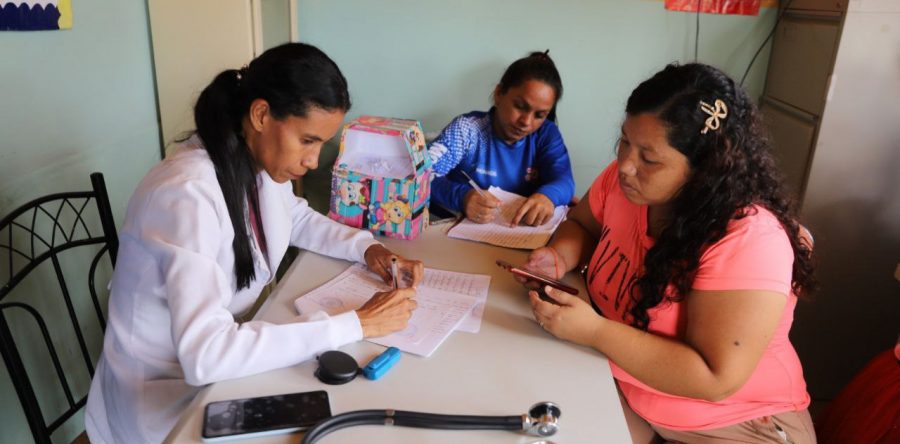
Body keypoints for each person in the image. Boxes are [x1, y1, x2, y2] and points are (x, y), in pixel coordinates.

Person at [85, 43, 423, 444]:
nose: (313, 161)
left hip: (212, 376)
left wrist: (368, 249)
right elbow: (205, 355)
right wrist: (356, 324)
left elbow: (293, 217)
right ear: (261, 115)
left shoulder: (254, 161)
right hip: (162, 404)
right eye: (308, 141)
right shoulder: (186, 195)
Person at [520, 63, 818, 442]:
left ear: (705, 169)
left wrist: (594, 330)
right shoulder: (626, 183)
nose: (625, 165)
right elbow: (582, 226)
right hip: (629, 392)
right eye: (624, 141)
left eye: (650, 158)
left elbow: (715, 378)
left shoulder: (749, 239)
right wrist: (559, 257)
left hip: (727, 422)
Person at [427, 50, 575, 226]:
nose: (526, 122)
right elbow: (421, 176)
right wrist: (462, 197)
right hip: (456, 233)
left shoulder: (546, 135)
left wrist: (547, 197)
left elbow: (564, 181)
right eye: (520, 106)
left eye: (540, 115)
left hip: (517, 235)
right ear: (499, 94)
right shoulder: (467, 130)